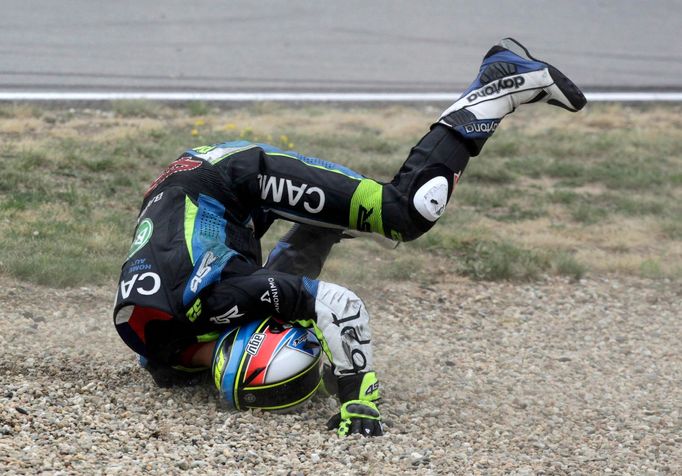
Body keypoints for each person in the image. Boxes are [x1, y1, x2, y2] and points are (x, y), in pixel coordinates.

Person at [113, 38, 586, 437]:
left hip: (231, 177)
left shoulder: (216, 301)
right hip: (187, 195)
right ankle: (315, 230)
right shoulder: (159, 354)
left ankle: (497, 85)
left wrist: (357, 397)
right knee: (273, 291)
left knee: (408, 211)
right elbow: (252, 300)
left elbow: (340, 305)